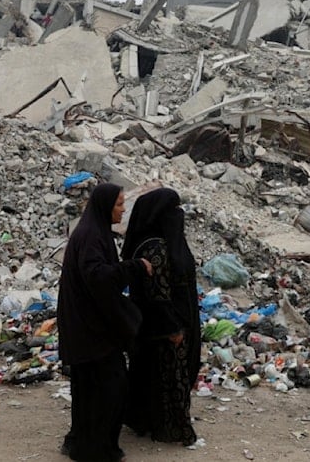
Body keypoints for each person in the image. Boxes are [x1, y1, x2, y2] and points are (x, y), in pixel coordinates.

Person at [57, 183, 152, 462]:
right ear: (105, 205)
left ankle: (82, 443)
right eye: (120, 204)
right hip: (90, 329)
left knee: (90, 388)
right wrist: (135, 267)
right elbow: (97, 277)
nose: (123, 210)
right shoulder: (91, 237)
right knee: (107, 387)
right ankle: (95, 450)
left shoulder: (94, 232)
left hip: (87, 325)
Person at [121, 187, 201, 446]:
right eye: (172, 211)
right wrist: (173, 328)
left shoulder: (163, 242)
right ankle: (171, 428)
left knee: (154, 374)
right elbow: (158, 295)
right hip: (164, 327)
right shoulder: (155, 248)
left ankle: (146, 421)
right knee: (169, 375)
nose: (178, 215)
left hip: (162, 323)